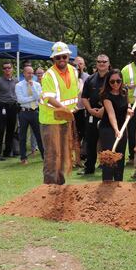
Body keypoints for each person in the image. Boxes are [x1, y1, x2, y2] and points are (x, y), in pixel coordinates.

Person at [40, 42, 80, 185]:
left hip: (65, 119)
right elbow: (49, 98)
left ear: (68, 56)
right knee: (52, 155)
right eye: (58, 58)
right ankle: (49, 188)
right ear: (53, 59)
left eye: (64, 56)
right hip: (51, 120)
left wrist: (74, 108)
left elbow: (75, 92)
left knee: (63, 154)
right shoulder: (49, 75)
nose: (61, 60)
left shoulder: (74, 71)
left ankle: (60, 186)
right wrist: (65, 109)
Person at [79, 54, 110, 175]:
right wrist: (90, 109)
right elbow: (84, 97)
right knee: (91, 142)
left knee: (107, 141)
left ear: (108, 63)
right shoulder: (90, 79)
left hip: (108, 115)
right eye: (99, 62)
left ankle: (106, 166)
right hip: (92, 114)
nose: (102, 64)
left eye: (104, 61)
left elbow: (117, 95)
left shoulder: (113, 78)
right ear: (96, 63)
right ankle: (89, 168)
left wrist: (104, 109)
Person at [99, 70, 132, 181]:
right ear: (108, 82)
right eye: (112, 82)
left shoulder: (124, 91)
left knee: (120, 156)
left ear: (121, 81)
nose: (115, 84)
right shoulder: (106, 95)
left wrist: (129, 109)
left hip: (122, 128)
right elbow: (111, 114)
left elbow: (127, 104)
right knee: (109, 157)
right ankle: (107, 182)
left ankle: (119, 184)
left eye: (118, 81)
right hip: (108, 129)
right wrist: (116, 130)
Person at [0, 61, 19, 161]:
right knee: (1, 129)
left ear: (12, 69)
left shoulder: (16, 81)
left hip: (13, 106)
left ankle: (8, 151)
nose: (7, 70)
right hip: (2, 106)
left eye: (9, 68)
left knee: (11, 130)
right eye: (5, 68)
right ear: (3, 70)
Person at [16, 66, 43, 165]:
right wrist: (33, 98)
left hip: (35, 112)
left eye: (32, 73)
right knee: (22, 136)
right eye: (28, 73)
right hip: (24, 112)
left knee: (39, 135)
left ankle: (44, 155)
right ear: (24, 74)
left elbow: (39, 98)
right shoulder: (19, 85)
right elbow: (20, 100)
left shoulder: (37, 85)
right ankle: (23, 158)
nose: (31, 75)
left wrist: (32, 87)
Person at [72, 56, 90, 161]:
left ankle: (82, 155)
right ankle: (75, 158)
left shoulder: (86, 78)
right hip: (71, 111)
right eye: (76, 65)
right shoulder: (68, 80)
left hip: (82, 110)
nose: (78, 67)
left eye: (80, 64)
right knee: (74, 135)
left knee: (84, 133)